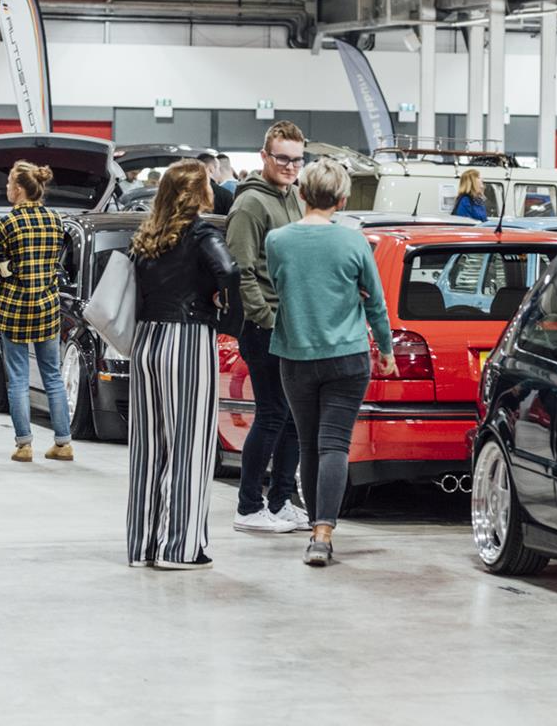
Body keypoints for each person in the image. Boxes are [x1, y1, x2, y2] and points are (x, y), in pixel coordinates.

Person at [265, 159, 396, 567]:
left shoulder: (277, 240)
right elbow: (375, 301)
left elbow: (281, 286)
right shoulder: (355, 241)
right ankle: (323, 534)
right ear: (342, 199)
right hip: (348, 356)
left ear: (301, 194)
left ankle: (312, 526)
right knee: (335, 443)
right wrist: (387, 351)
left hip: (296, 355)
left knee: (308, 443)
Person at [128, 160, 239, 569]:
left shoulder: (147, 235)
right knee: (190, 446)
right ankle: (180, 548)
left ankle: (143, 547)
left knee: (148, 449)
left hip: (146, 341)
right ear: (200, 192)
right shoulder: (201, 232)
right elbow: (229, 270)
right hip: (187, 339)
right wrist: (226, 314)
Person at [227, 121, 309, 535]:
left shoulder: (292, 197)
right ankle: (248, 506)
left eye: (297, 159)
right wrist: (263, 317)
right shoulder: (250, 205)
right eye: (283, 158)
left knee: (291, 416)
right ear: (264, 157)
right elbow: (240, 271)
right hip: (265, 326)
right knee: (273, 413)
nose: (291, 166)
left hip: (290, 324)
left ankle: (279, 502)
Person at [0, 162, 74, 462]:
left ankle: (24, 444)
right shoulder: (56, 220)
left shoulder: (5, 224)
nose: (7, 188)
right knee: (52, 375)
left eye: (10, 183)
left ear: (20, 188)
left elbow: (0, 267)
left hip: (15, 306)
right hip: (47, 306)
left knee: (18, 377)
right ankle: (63, 443)